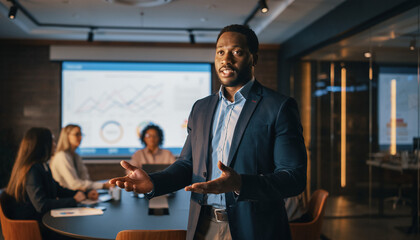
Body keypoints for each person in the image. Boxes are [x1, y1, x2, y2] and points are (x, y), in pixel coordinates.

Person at [110, 24, 307, 240]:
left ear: (254, 59)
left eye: (237, 52)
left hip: (256, 229)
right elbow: (187, 165)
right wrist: (154, 183)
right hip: (203, 227)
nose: (226, 59)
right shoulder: (201, 108)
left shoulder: (279, 107)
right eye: (220, 52)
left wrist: (241, 184)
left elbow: (293, 178)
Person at [1, 127, 96, 239]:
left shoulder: (43, 165)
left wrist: (84, 193)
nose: (55, 144)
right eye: (53, 141)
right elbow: (41, 205)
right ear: (43, 145)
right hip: (32, 226)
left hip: (42, 220)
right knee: (79, 232)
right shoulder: (33, 170)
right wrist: (74, 200)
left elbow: (57, 189)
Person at [50, 124, 110, 194]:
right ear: (67, 136)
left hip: (79, 195)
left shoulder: (76, 156)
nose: (81, 137)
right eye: (77, 134)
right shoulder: (61, 156)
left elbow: (85, 179)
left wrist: (89, 191)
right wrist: (103, 185)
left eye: (81, 134)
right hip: (67, 197)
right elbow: (74, 184)